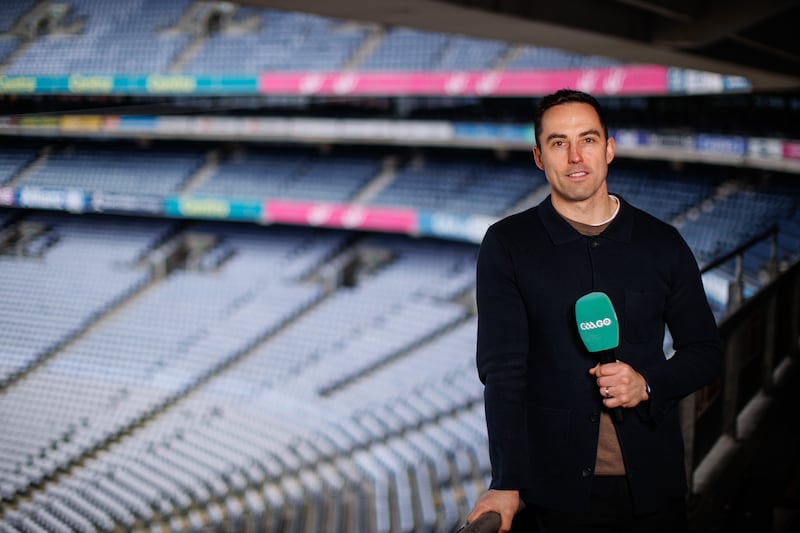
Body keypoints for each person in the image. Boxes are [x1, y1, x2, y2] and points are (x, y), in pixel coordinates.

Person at [465, 89, 723, 533]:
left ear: (609, 148)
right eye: (558, 143)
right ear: (539, 157)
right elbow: (503, 370)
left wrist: (646, 384)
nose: (575, 156)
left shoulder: (662, 243)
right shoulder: (508, 244)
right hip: (554, 496)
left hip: (654, 486)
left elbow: (705, 350)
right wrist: (506, 480)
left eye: (587, 139)